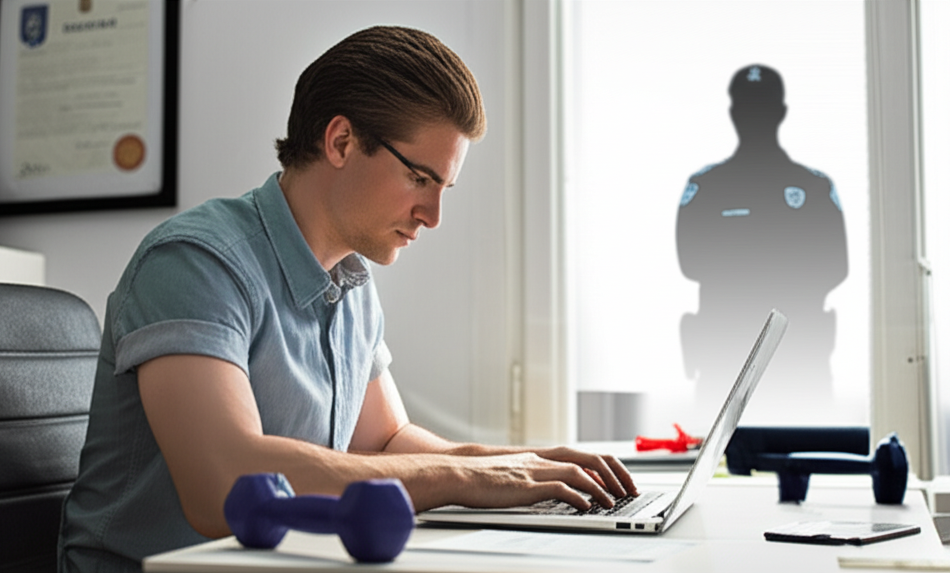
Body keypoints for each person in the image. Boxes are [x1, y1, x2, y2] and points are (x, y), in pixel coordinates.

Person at [58, 25, 637, 572]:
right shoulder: (195, 262)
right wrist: (463, 479)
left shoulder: (352, 283)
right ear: (341, 141)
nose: (433, 216)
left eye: (444, 188)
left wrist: (517, 465)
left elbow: (386, 442)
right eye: (420, 178)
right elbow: (224, 486)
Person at [675, 64, 848, 416]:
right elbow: (690, 261)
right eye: (747, 107)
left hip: (800, 361)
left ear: (780, 113)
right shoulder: (708, 186)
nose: (754, 117)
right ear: (734, 113)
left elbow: (836, 266)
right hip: (724, 364)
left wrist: (741, 261)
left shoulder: (813, 187)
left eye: (763, 107)